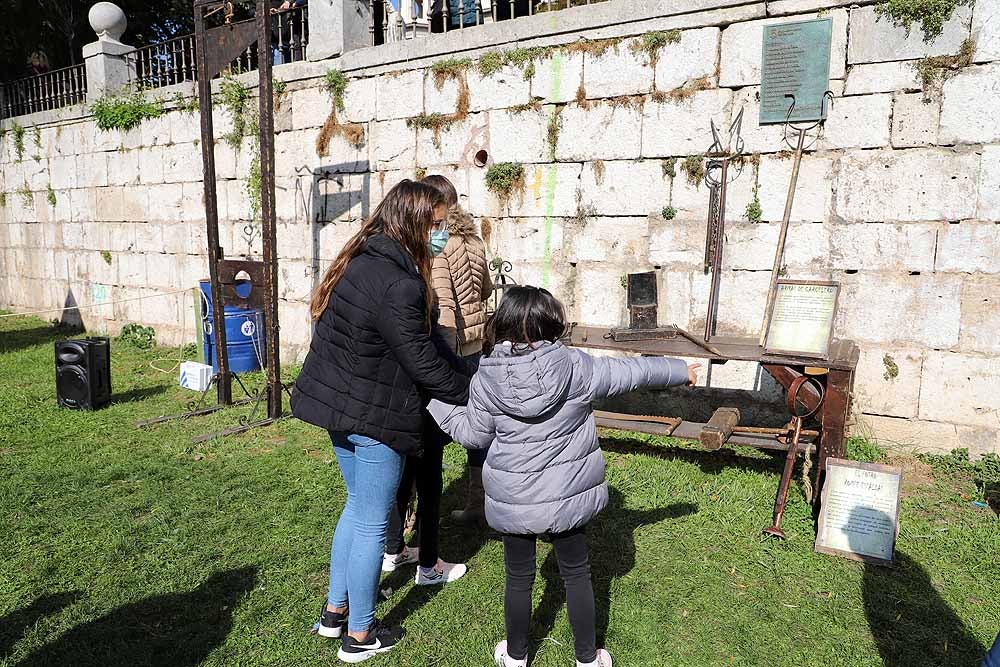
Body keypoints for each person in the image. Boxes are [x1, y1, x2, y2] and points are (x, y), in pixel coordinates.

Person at [429, 286, 700, 667]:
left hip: (515, 497)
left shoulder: (485, 377)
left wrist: (436, 404)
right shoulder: (576, 365)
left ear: (502, 322)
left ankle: (517, 655)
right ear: (550, 323)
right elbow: (630, 371)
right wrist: (676, 369)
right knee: (577, 574)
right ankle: (587, 658)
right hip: (567, 494)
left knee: (518, 577)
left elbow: (474, 435)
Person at [291, 180, 472, 663]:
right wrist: (470, 395)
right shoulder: (401, 283)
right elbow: (421, 361)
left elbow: (421, 343)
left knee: (356, 508)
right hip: (374, 415)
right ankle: (360, 634)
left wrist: (464, 371)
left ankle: (334, 612)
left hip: (341, 407)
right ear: (413, 222)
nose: (442, 234)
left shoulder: (366, 260)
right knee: (373, 520)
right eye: (436, 225)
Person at [381, 174, 488, 583]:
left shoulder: (432, 251)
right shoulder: (475, 242)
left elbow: (438, 311)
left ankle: (408, 538)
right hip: (472, 348)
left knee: (423, 452)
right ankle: (478, 502)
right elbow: (487, 288)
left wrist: (440, 365)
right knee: (475, 432)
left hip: (441, 355)